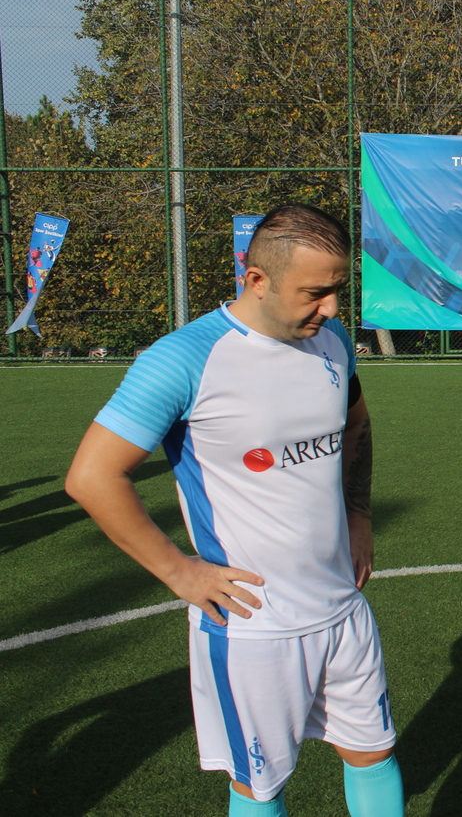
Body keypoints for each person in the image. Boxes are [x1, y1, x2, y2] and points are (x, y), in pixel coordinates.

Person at [65, 205, 402, 817]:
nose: (331, 308)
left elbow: (355, 424)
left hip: (342, 608)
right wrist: (179, 571)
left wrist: (359, 516)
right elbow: (92, 477)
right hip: (253, 626)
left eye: (337, 290)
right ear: (257, 280)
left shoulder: (332, 344)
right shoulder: (184, 358)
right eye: (315, 293)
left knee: (374, 753)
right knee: (259, 787)